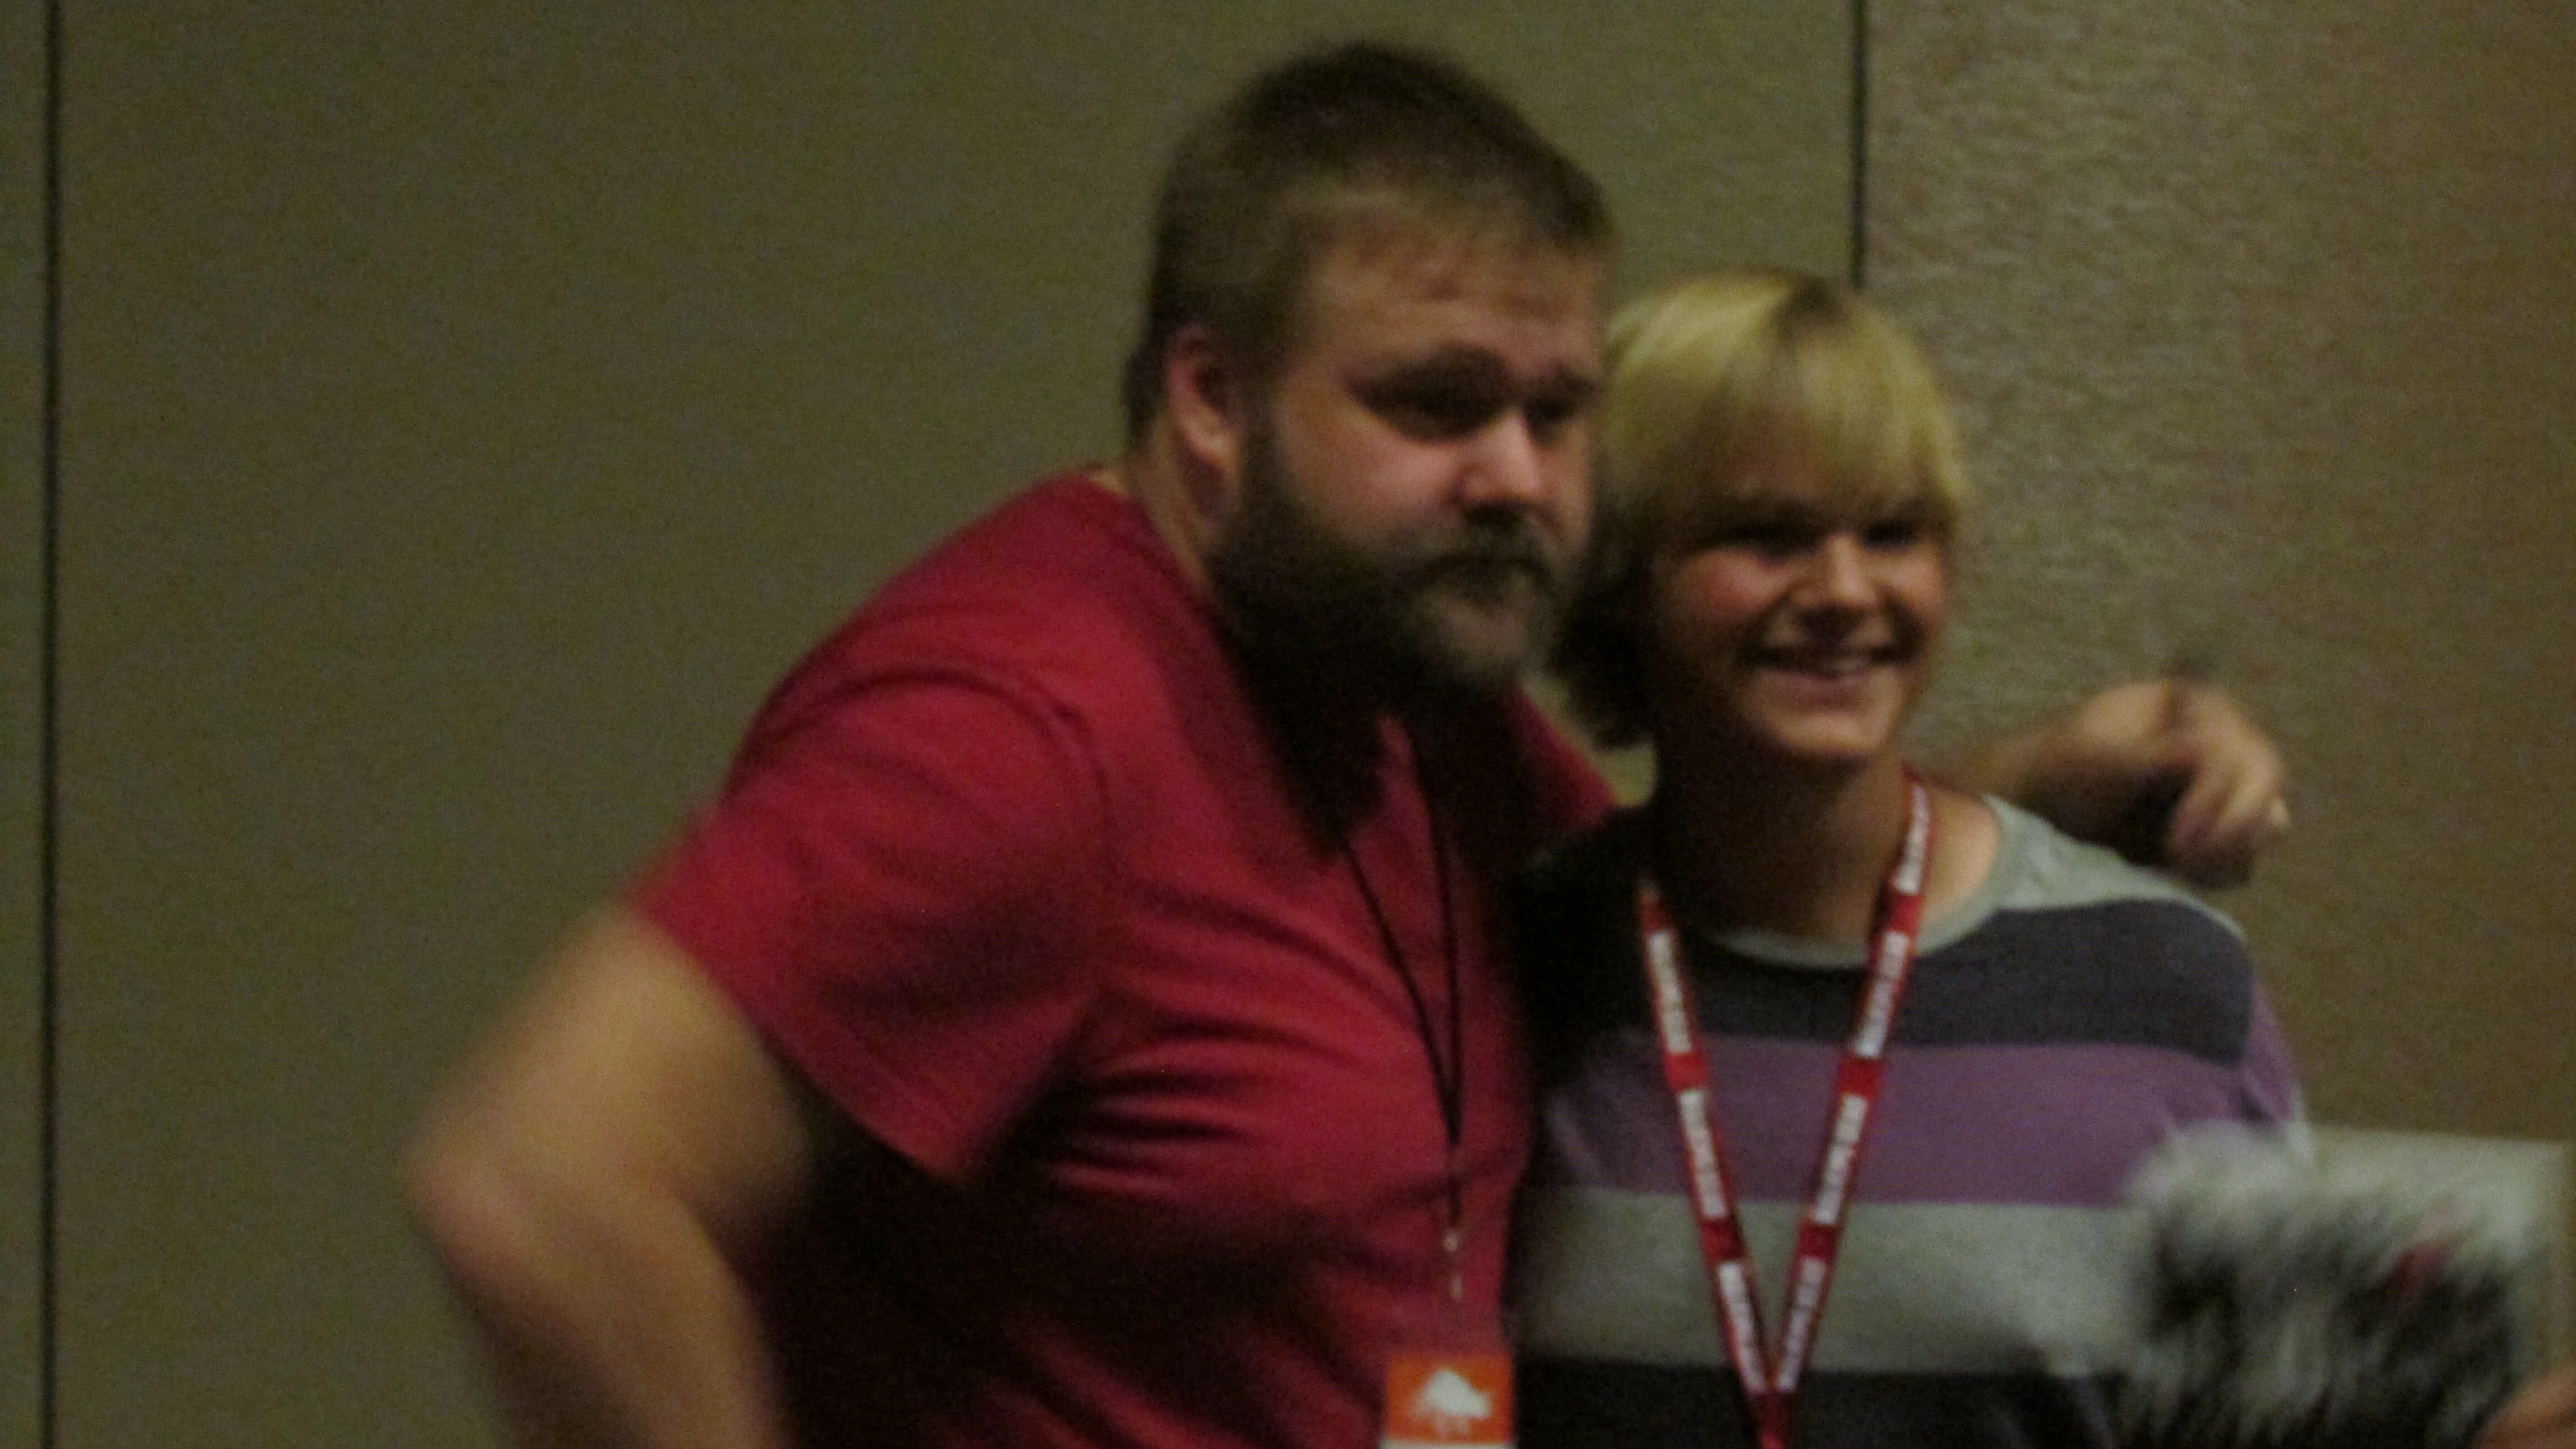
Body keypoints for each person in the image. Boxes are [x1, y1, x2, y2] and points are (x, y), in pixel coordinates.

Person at [403, 46, 2295, 1449]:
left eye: (1555, 411)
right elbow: (545, 1184)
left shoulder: (1410, 696)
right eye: (1434, 404)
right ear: (1211, 397)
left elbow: (1715, 876)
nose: (1512, 476)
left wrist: (2025, 798)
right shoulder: (1016, 736)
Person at [1505, 268, 2568, 1449]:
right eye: (1767, 535)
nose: (1845, 590)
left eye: (1893, 533)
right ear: (1622, 571)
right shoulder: (1520, 967)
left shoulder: (2159, 982)